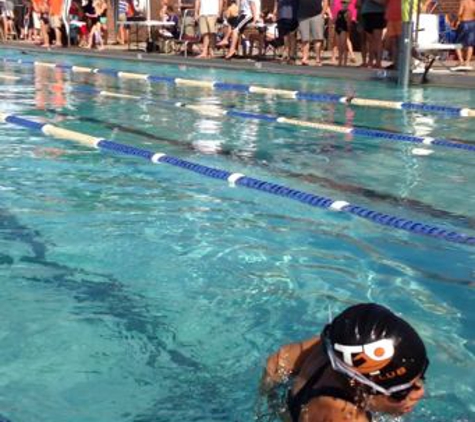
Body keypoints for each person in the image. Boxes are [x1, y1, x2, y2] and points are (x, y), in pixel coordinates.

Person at [260, 303, 429, 422]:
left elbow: (279, 360)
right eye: (401, 392)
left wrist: (270, 397)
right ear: (359, 386)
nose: (420, 392)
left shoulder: (336, 350)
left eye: (422, 376)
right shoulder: (343, 417)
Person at [297, 0, 329, 66]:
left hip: (317, 15)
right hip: (302, 15)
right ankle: (305, 58)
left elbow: (325, 1)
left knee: (318, 39)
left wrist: (322, 14)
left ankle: (318, 59)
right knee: (305, 39)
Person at [455, 0, 475, 68]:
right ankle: (467, 62)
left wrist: (458, 20)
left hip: (464, 23)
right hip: (472, 23)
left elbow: (460, 13)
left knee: (457, 43)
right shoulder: (473, 2)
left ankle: (461, 61)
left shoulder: (463, 1)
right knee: (470, 44)